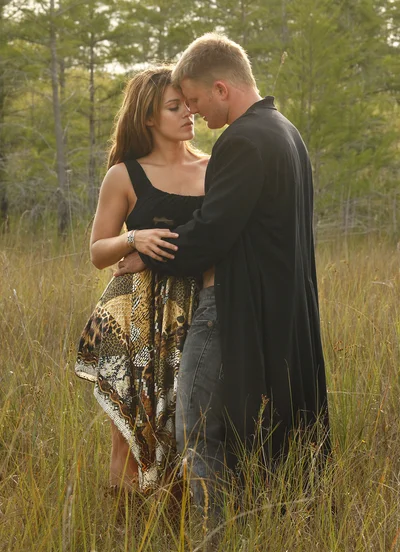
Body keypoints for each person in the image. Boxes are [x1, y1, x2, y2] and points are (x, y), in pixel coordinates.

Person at [133, 34, 329, 506]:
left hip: (235, 304)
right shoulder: (285, 131)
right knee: (256, 428)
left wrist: (149, 251)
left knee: (198, 428)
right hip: (279, 303)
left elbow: (213, 231)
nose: (195, 113)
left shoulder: (241, 141)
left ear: (222, 89)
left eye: (197, 100)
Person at [75, 66, 208, 493]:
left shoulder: (216, 168)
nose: (188, 113)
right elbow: (98, 252)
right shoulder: (124, 175)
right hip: (132, 314)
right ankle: (124, 533)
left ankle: (176, 516)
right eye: (175, 107)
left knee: (189, 421)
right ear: (148, 118)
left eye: (189, 104)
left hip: (197, 308)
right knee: (131, 430)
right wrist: (134, 237)